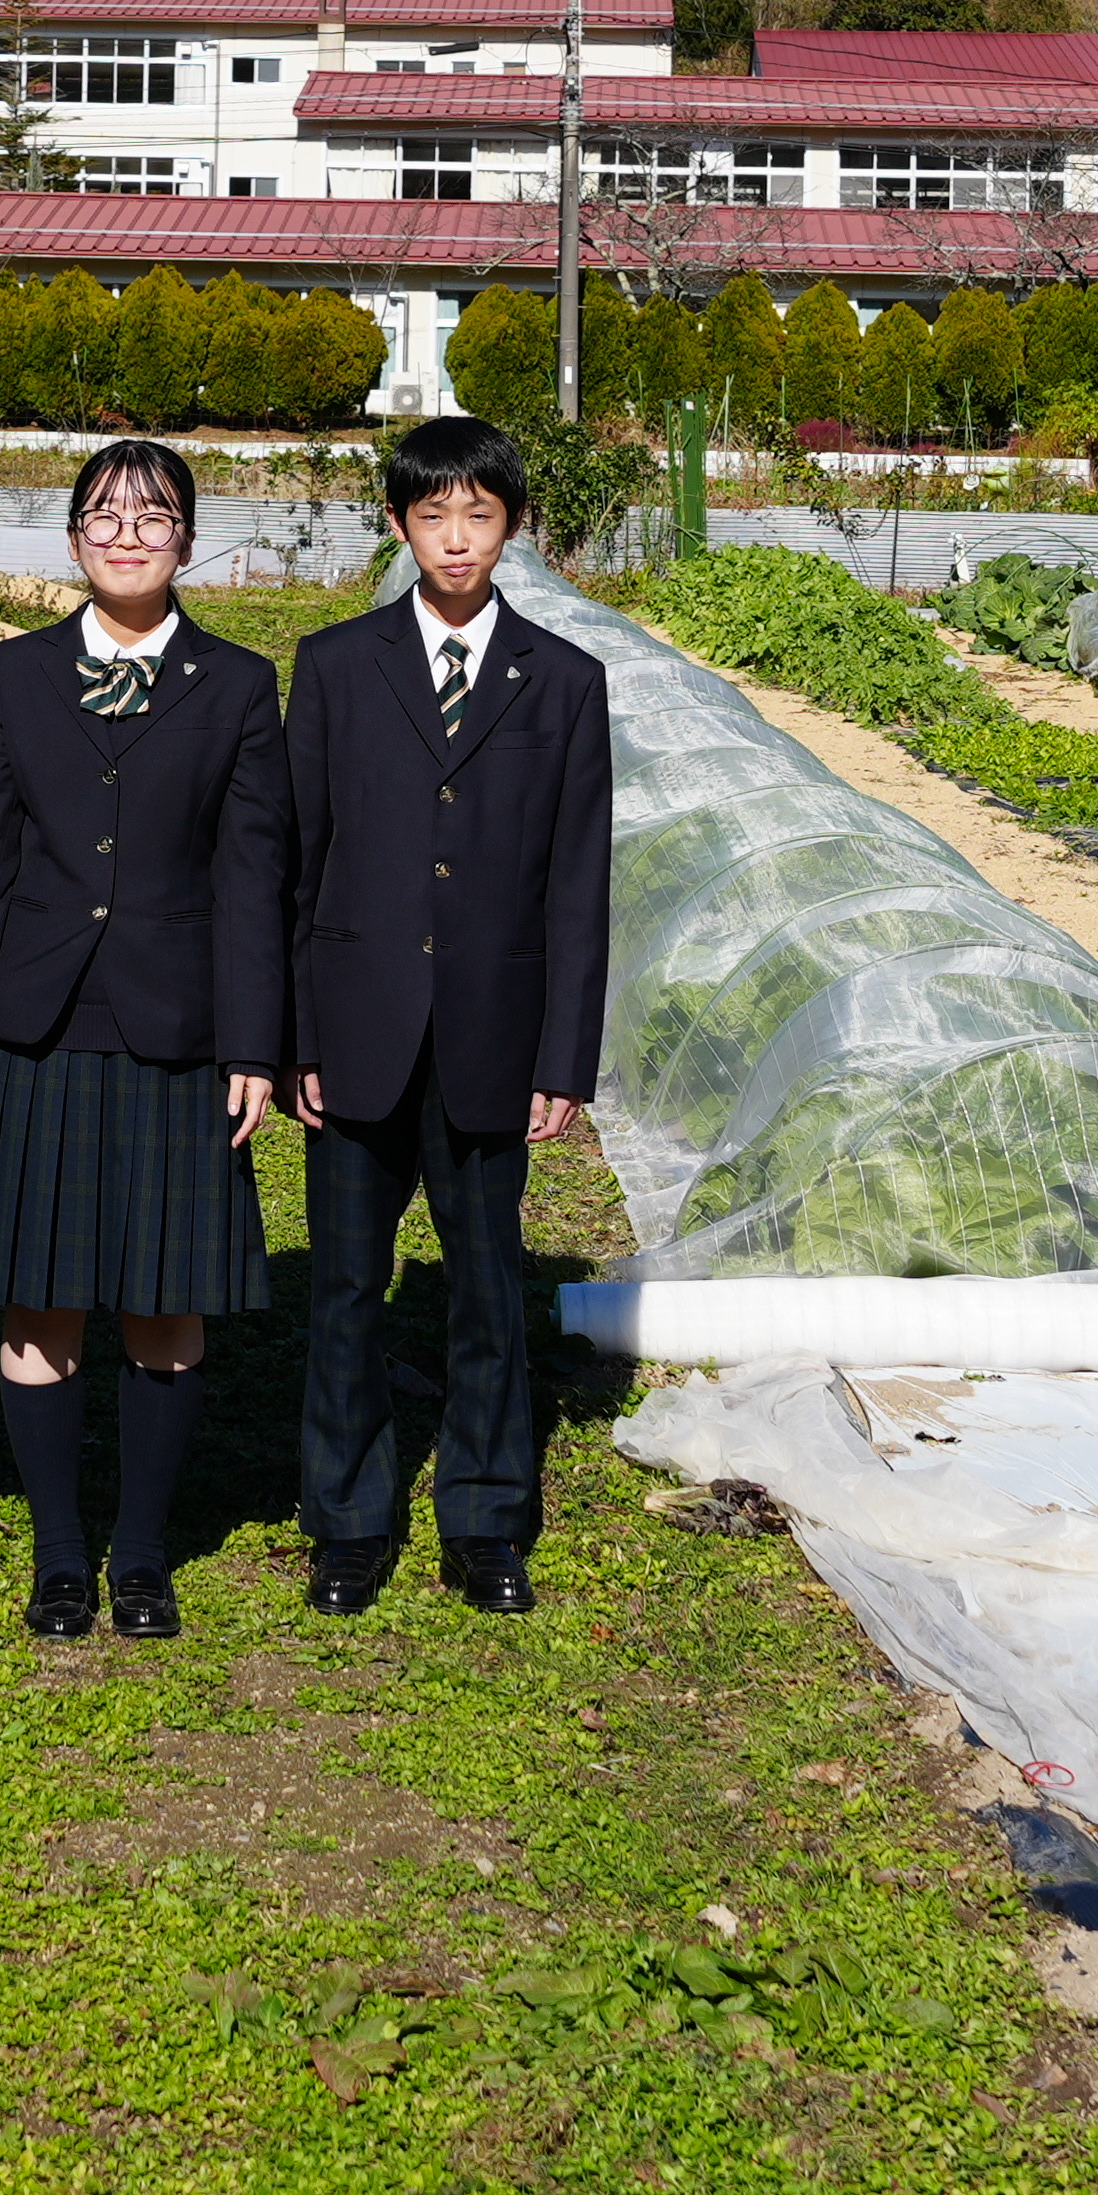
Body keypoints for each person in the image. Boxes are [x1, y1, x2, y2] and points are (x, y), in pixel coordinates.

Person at [0, 436, 286, 1641]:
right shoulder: (13, 675)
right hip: (36, 1024)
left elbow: (254, 877)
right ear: (72, 537)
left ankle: (143, 1554)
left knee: (164, 1301)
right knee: (39, 1302)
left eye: (153, 516)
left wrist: (254, 1043)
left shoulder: (238, 685)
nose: (128, 534)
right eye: (105, 515)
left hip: (178, 1026)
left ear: (189, 538)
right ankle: (60, 1554)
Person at [281, 411, 612, 1614]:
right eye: (434, 514)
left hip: (491, 1033)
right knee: (345, 1289)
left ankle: (485, 1518)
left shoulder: (566, 682)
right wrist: (296, 1039)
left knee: (487, 1288)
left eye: (480, 514)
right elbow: (299, 866)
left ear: (512, 526)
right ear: (398, 523)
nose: (457, 537)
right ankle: (349, 1519)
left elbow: (579, 881)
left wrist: (561, 1053)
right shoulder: (335, 666)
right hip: (359, 1027)